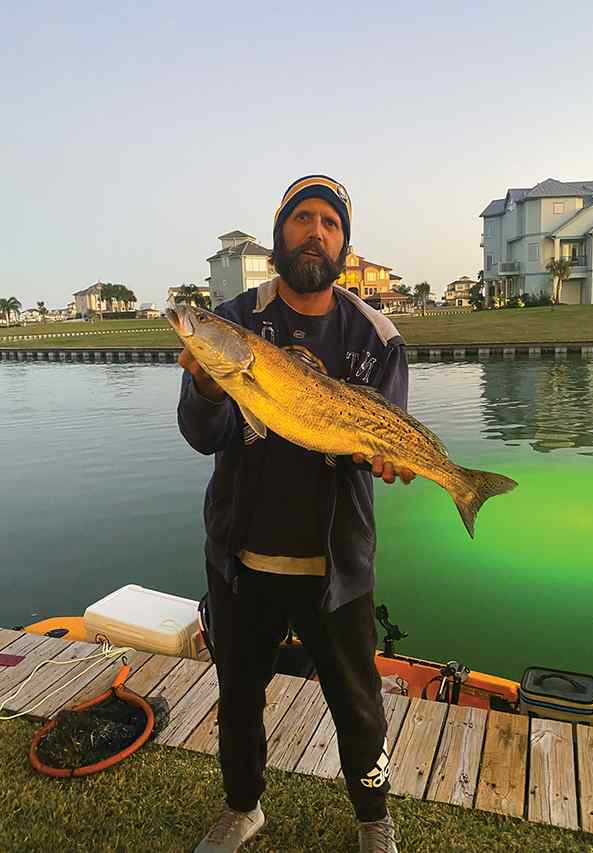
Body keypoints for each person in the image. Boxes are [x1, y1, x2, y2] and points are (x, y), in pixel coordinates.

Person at [177, 175, 414, 853]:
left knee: (358, 703)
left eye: (330, 223)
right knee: (239, 696)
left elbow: (381, 434)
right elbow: (204, 434)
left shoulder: (377, 335)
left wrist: (385, 457)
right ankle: (243, 807)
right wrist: (203, 385)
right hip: (241, 556)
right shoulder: (230, 322)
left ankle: (374, 820)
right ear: (280, 231)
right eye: (302, 218)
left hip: (334, 562)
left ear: (343, 242)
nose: (316, 232)